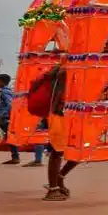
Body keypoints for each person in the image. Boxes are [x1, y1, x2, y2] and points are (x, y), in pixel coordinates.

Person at [29, 66, 77, 201]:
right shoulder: (64, 71)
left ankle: (59, 177)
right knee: (57, 151)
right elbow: (58, 94)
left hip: (74, 115)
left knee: (82, 151)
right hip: (60, 115)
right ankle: (53, 188)